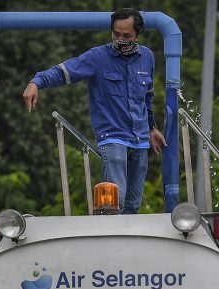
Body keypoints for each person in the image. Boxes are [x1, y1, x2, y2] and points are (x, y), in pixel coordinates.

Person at [22, 8, 166, 214]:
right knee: (117, 202)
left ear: (137, 35)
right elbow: (63, 72)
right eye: (116, 34)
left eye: (127, 36)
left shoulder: (148, 57)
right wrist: (36, 82)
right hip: (113, 138)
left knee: (134, 205)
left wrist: (152, 128)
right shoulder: (98, 57)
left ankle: (126, 244)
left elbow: (147, 97)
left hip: (140, 139)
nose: (121, 39)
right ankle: (109, 241)